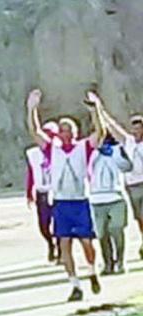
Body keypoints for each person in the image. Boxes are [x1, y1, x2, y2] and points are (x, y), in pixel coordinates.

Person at [26, 89, 104, 301]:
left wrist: (95, 110)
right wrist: (31, 108)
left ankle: (92, 271)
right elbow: (35, 131)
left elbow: (100, 133)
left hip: (80, 201)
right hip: (61, 203)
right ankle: (74, 284)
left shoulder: (83, 147)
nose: (63, 133)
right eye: (60, 130)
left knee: (87, 243)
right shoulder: (52, 150)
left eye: (67, 129)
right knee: (64, 243)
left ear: (75, 132)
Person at [96, 106, 143, 260]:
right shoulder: (128, 142)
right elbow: (113, 127)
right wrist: (99, 110)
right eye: (134, 128)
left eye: (139, 128)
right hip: (132, 185)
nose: (136, 131)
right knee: (139, 218)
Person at [88, 135, 132, 274]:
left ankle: (120, 261)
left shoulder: (117, 150)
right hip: (96, 199)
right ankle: (108, 263)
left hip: (115, 197)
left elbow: (127, 167)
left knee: (116, 230)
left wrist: (115, 154)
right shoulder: (90, 152)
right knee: (102, 234)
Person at [25, 122, 61, 262]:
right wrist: (29, 192)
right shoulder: (33, 153)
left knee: (59, 223)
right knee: (43, 224)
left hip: (57, 191)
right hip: (42, 192)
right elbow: (31, 173)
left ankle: (60, 248)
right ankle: (50, 243)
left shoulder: (59, 150)